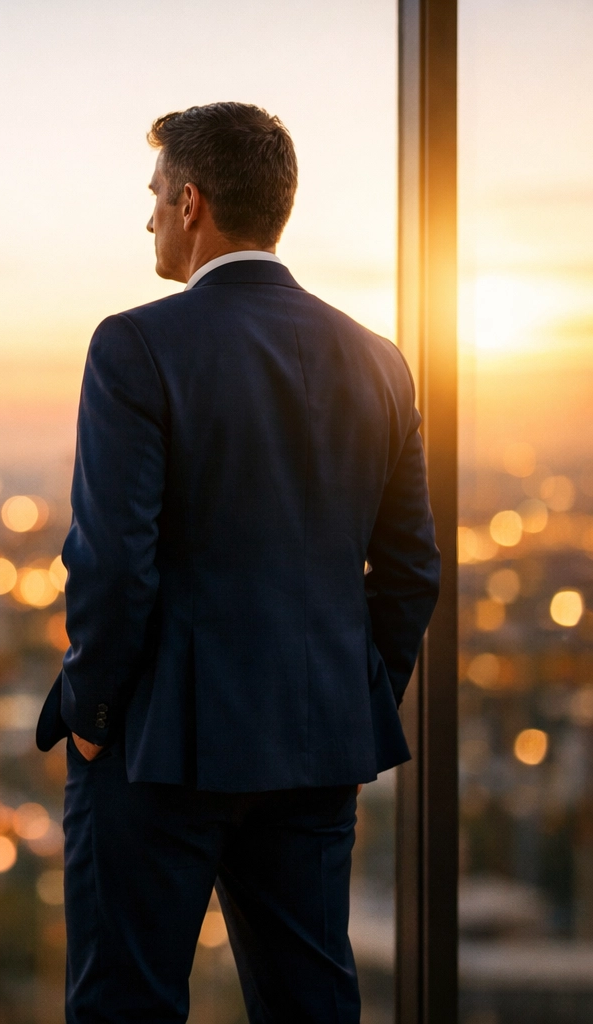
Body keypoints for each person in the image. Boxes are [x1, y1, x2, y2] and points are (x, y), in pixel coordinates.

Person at [36, 101, 440, 1023]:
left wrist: (91, 711)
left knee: (125, 1005)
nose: (144, 219)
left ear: (191, 202)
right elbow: (412, 567)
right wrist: (348, 692)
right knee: (310, 1001)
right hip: (313, 745)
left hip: (156, 747)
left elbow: (113, 565)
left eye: (151, 197)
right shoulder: (382, 363)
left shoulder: (135, 345)